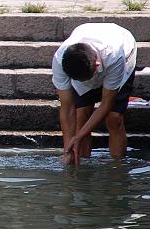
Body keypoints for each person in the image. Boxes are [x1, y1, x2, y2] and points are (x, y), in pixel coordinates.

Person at [51, 23, 137, 165]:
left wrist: (79, 137)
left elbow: (106, 104)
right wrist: (68, 148)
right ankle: (80, 164)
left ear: (96, 66)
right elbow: (67, 108)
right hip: (87, 56)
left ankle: (117, 167)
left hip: (124, 52)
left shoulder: (114, 56)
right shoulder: (60, 60)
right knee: (81, 117)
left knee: (114, 119)